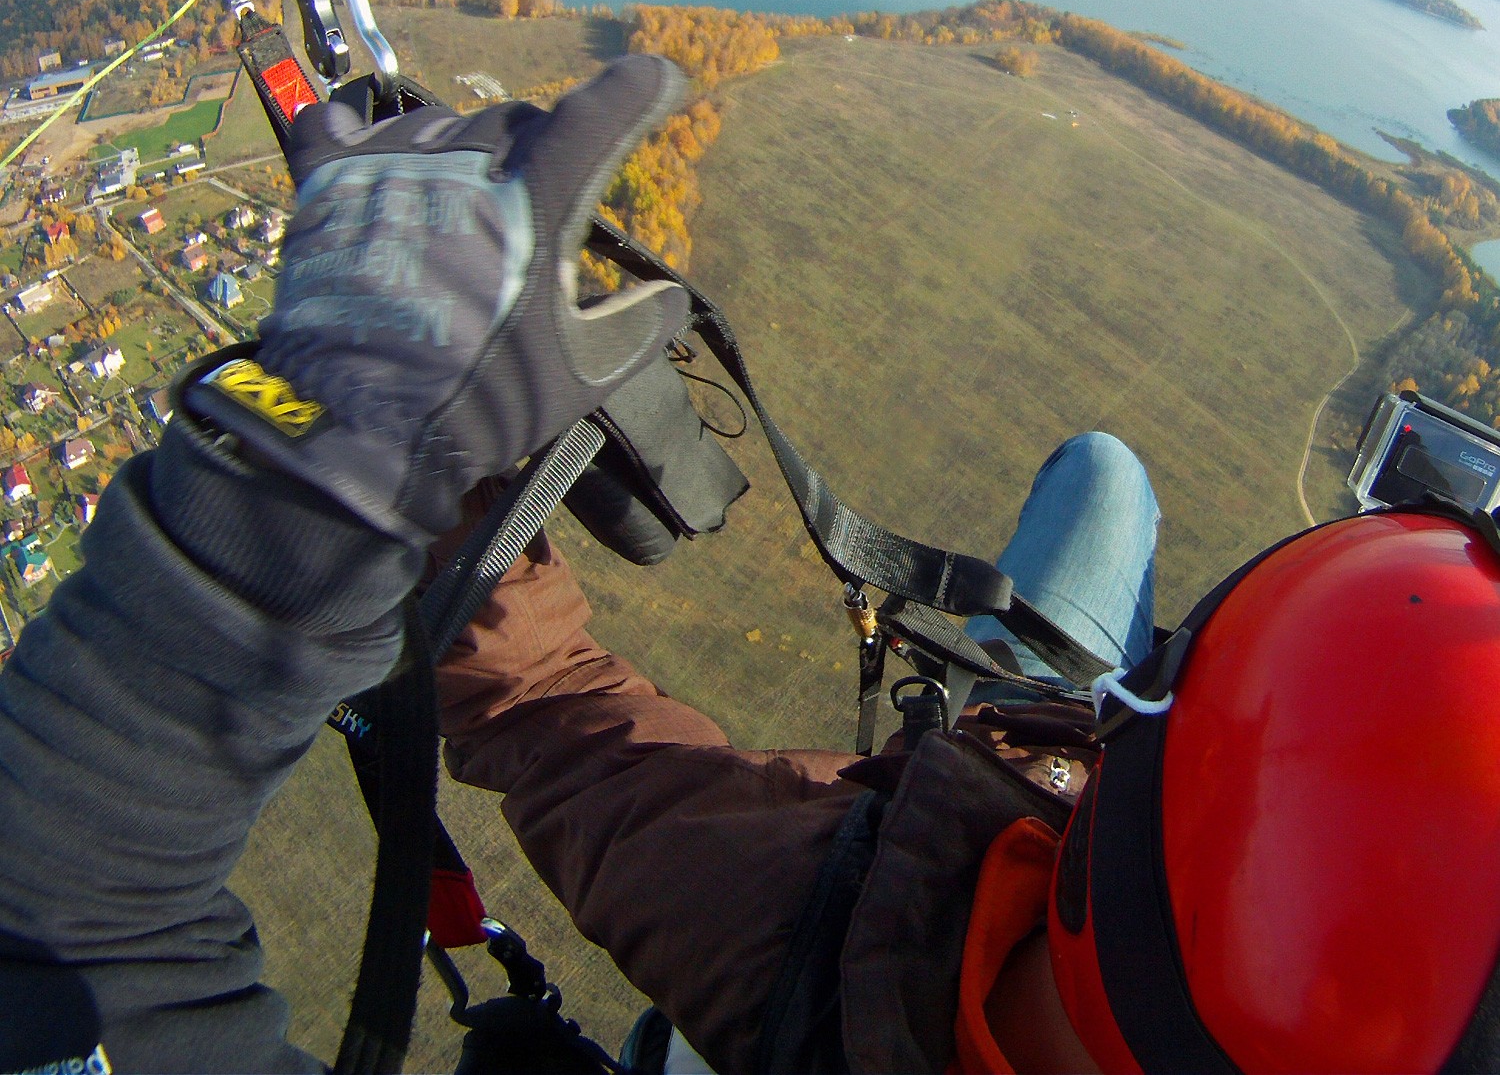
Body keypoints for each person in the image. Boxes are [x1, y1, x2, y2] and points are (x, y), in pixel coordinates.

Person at [3, 57, 1499, 1075]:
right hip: (1019, 821)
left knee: (1104, 491)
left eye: (1160, 704)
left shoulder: (803, 934)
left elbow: (54, 924)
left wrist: (337, 484)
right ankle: (1101, 732)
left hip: (923, 890)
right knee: (1107, 479)